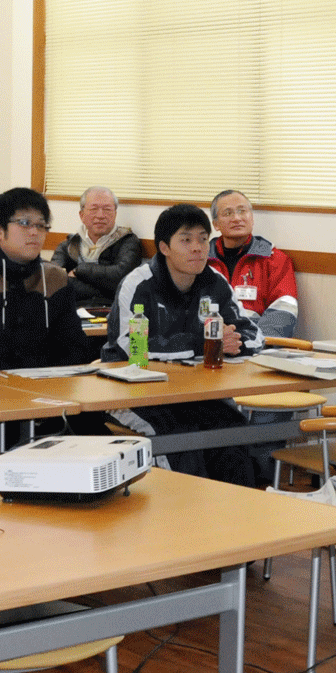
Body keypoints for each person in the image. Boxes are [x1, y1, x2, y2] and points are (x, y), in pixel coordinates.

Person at [101, 204, 263, 480]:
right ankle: (182, 517)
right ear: (164, 247)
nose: (198, 248)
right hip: (135, 394)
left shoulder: (215, 282)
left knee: (232, 433)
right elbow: (131, 344)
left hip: (194, 392)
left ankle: (235, 518)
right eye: (186, 240)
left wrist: (233, 343)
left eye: (203, 239)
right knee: (181, 442)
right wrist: (204, 343)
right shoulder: (138, 284)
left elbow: (253, 334)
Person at [0, 187, 94, 373]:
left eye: (41, 225)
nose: (34, 232)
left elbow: (75, 347)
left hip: (49, 386)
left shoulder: (55, 277)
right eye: (24, 223)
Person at [207, 190, 300, 339]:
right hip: (206, 345)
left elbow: (283, 314)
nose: (237, 218)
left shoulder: (275, 260)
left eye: (242, 211)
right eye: (228, 213)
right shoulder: (200, 260)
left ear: (252, 218)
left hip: (255, 349)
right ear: (216, 224)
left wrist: (248, 344)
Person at [50, 186, 143, 315]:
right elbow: (54, 280)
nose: (100, 215)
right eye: (94, 209)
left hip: (112, 312)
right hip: (71, 312)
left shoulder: (128, 242)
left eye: (107, 209)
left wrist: (79, 270)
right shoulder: (69, 245)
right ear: (81, 215)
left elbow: (120, 280)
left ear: (115, 214)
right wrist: (103, 287)